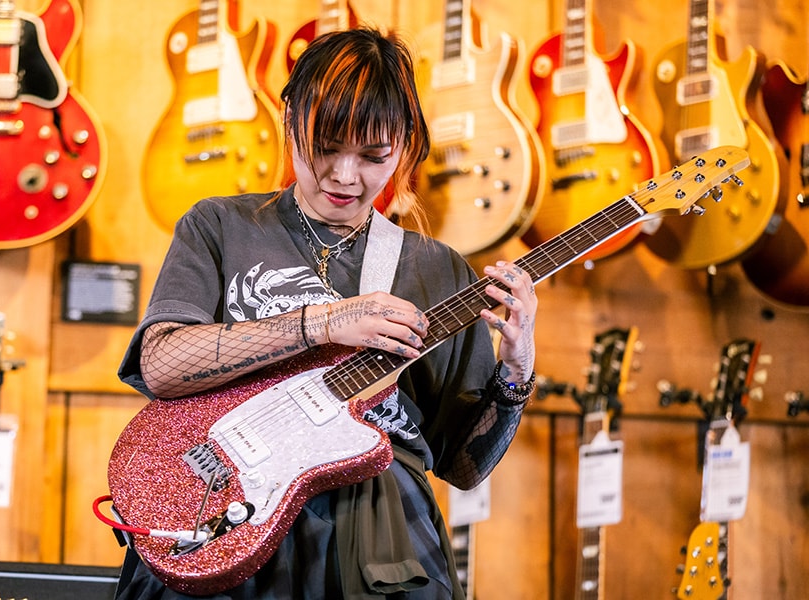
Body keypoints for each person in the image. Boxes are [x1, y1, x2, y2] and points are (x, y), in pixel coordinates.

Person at [113, 27, 538, 600]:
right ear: (289, 120)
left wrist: (517, 370)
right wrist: (322, 322)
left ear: (404, 145)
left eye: (373, 157)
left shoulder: (439, 270)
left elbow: (464, 466)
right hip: (220, 520)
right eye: (326, 147)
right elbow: (162, 363)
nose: (345, 175)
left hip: (379, 541)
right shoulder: (219, 226)